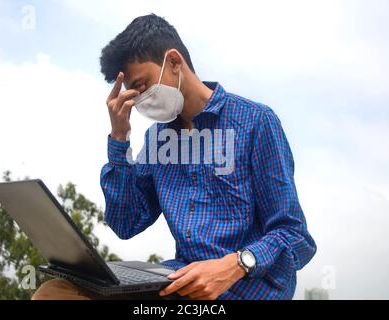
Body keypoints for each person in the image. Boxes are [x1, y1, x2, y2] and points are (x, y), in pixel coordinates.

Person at [33, 13, 316, 300]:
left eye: (142, 85)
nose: (140, 99)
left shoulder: (255, 122)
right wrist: (119, 139)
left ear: (174, 62)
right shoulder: (158, 140)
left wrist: (235, 264)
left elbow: (294, 235)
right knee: (55, 293)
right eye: (133, 93)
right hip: (181, 282)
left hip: (247, 288)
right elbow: (125, 223)